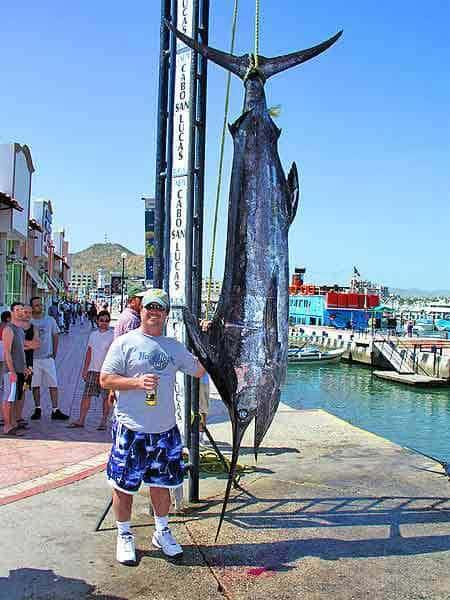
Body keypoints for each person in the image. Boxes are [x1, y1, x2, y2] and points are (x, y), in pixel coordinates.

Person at [100, 289, 207, 565]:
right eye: (149, 307)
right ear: (141, 310)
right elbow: (105, 379)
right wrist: (136, 383)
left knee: (162, 485)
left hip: (164, 430)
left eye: (160, 308)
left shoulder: (173, 347)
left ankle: (162, 532)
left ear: (166, 314)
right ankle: (124, 535)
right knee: (123, 486)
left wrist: (209, 341)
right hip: (131, 429)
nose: (154, 312)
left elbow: (200, 370)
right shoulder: (124, 343)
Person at [68, 311, 114, 430]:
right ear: (97, 321)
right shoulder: (93, 335)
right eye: (101, 320)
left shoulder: (113, 335)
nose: (104, 323)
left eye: (106, 320)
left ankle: (104, 421)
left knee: (106, 397)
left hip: (107, 372)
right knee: (86, 395)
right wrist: (85, 369)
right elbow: (89, 352)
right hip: (93, 370)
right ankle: (81, 419)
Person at [29, 296, 69, 421]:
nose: (39, 307)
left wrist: (54, 354)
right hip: (34, 359)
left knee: (53, 384)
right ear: (32, 307)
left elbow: (55, 336)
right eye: (36, 305)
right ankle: (38, 408)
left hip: (47, 358)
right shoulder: (28, 322)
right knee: (35, 385)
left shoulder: (50, 320)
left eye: (40, 305)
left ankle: (55, 410)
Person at [2, 302, 28, 435]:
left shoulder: (20, 329)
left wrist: (24, 368)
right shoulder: (9, 329)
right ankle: (7, 425)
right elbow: (7, 352)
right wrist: (11, 371)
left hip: (19, 370)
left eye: (22, 309)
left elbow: (21, 351)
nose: (20, 312)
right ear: (12, 312)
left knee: (16, 397)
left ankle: (13, 423)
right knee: (9, 397)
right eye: (17, 309)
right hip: (10, 371)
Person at [22, 304, 40, 394]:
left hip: (29, 364)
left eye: (30, 312)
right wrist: (29, 344)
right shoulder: (14, 327)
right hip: (14, 363)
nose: (28, 314)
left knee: (24, 390)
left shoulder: (34, 328)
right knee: (11, 392)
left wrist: (21, 343)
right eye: (25, 312)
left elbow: (36, 345)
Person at [198, 372, 210, 445]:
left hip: (201, 381)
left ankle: (200, 436)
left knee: (203, 409)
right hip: (188, 380)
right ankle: (199, 436)